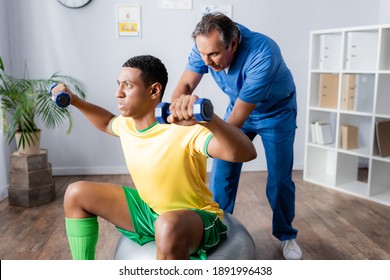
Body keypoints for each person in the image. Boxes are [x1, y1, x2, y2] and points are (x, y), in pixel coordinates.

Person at [52, 55, 257, 260]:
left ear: (154, 91)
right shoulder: (127, 124)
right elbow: (106, 122)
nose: (118, 93)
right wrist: (76, 101)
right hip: (149, 211)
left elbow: (246, 153)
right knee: (75, 193)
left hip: (195, 219)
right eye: (118, 84)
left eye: (127, 86)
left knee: (167, 224)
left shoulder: (184, 128)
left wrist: (209, 119)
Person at [171, 12, 302, 260]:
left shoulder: (263, 53)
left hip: (275, 113)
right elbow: (184, 87)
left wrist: (200, 129)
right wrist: (176, 114)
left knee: (279, 179)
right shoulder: (207, 43)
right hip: (238, 106)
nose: (206, 61)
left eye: (213, 55)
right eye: (202, 54)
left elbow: (235, 123)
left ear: (232, 44)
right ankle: (216, 229)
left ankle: (286, 235)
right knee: (222, 172)